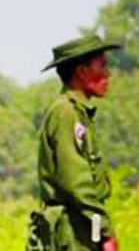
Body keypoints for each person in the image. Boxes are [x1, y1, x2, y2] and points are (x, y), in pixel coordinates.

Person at [28, 34, 121, 251]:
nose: (108, 74)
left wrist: (99, 231)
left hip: (81, 230)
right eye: (102, 66)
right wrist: (106, 232)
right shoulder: (66, 112)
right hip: (69, 235)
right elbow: (77, 184)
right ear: (82, 72)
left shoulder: (79, 114)